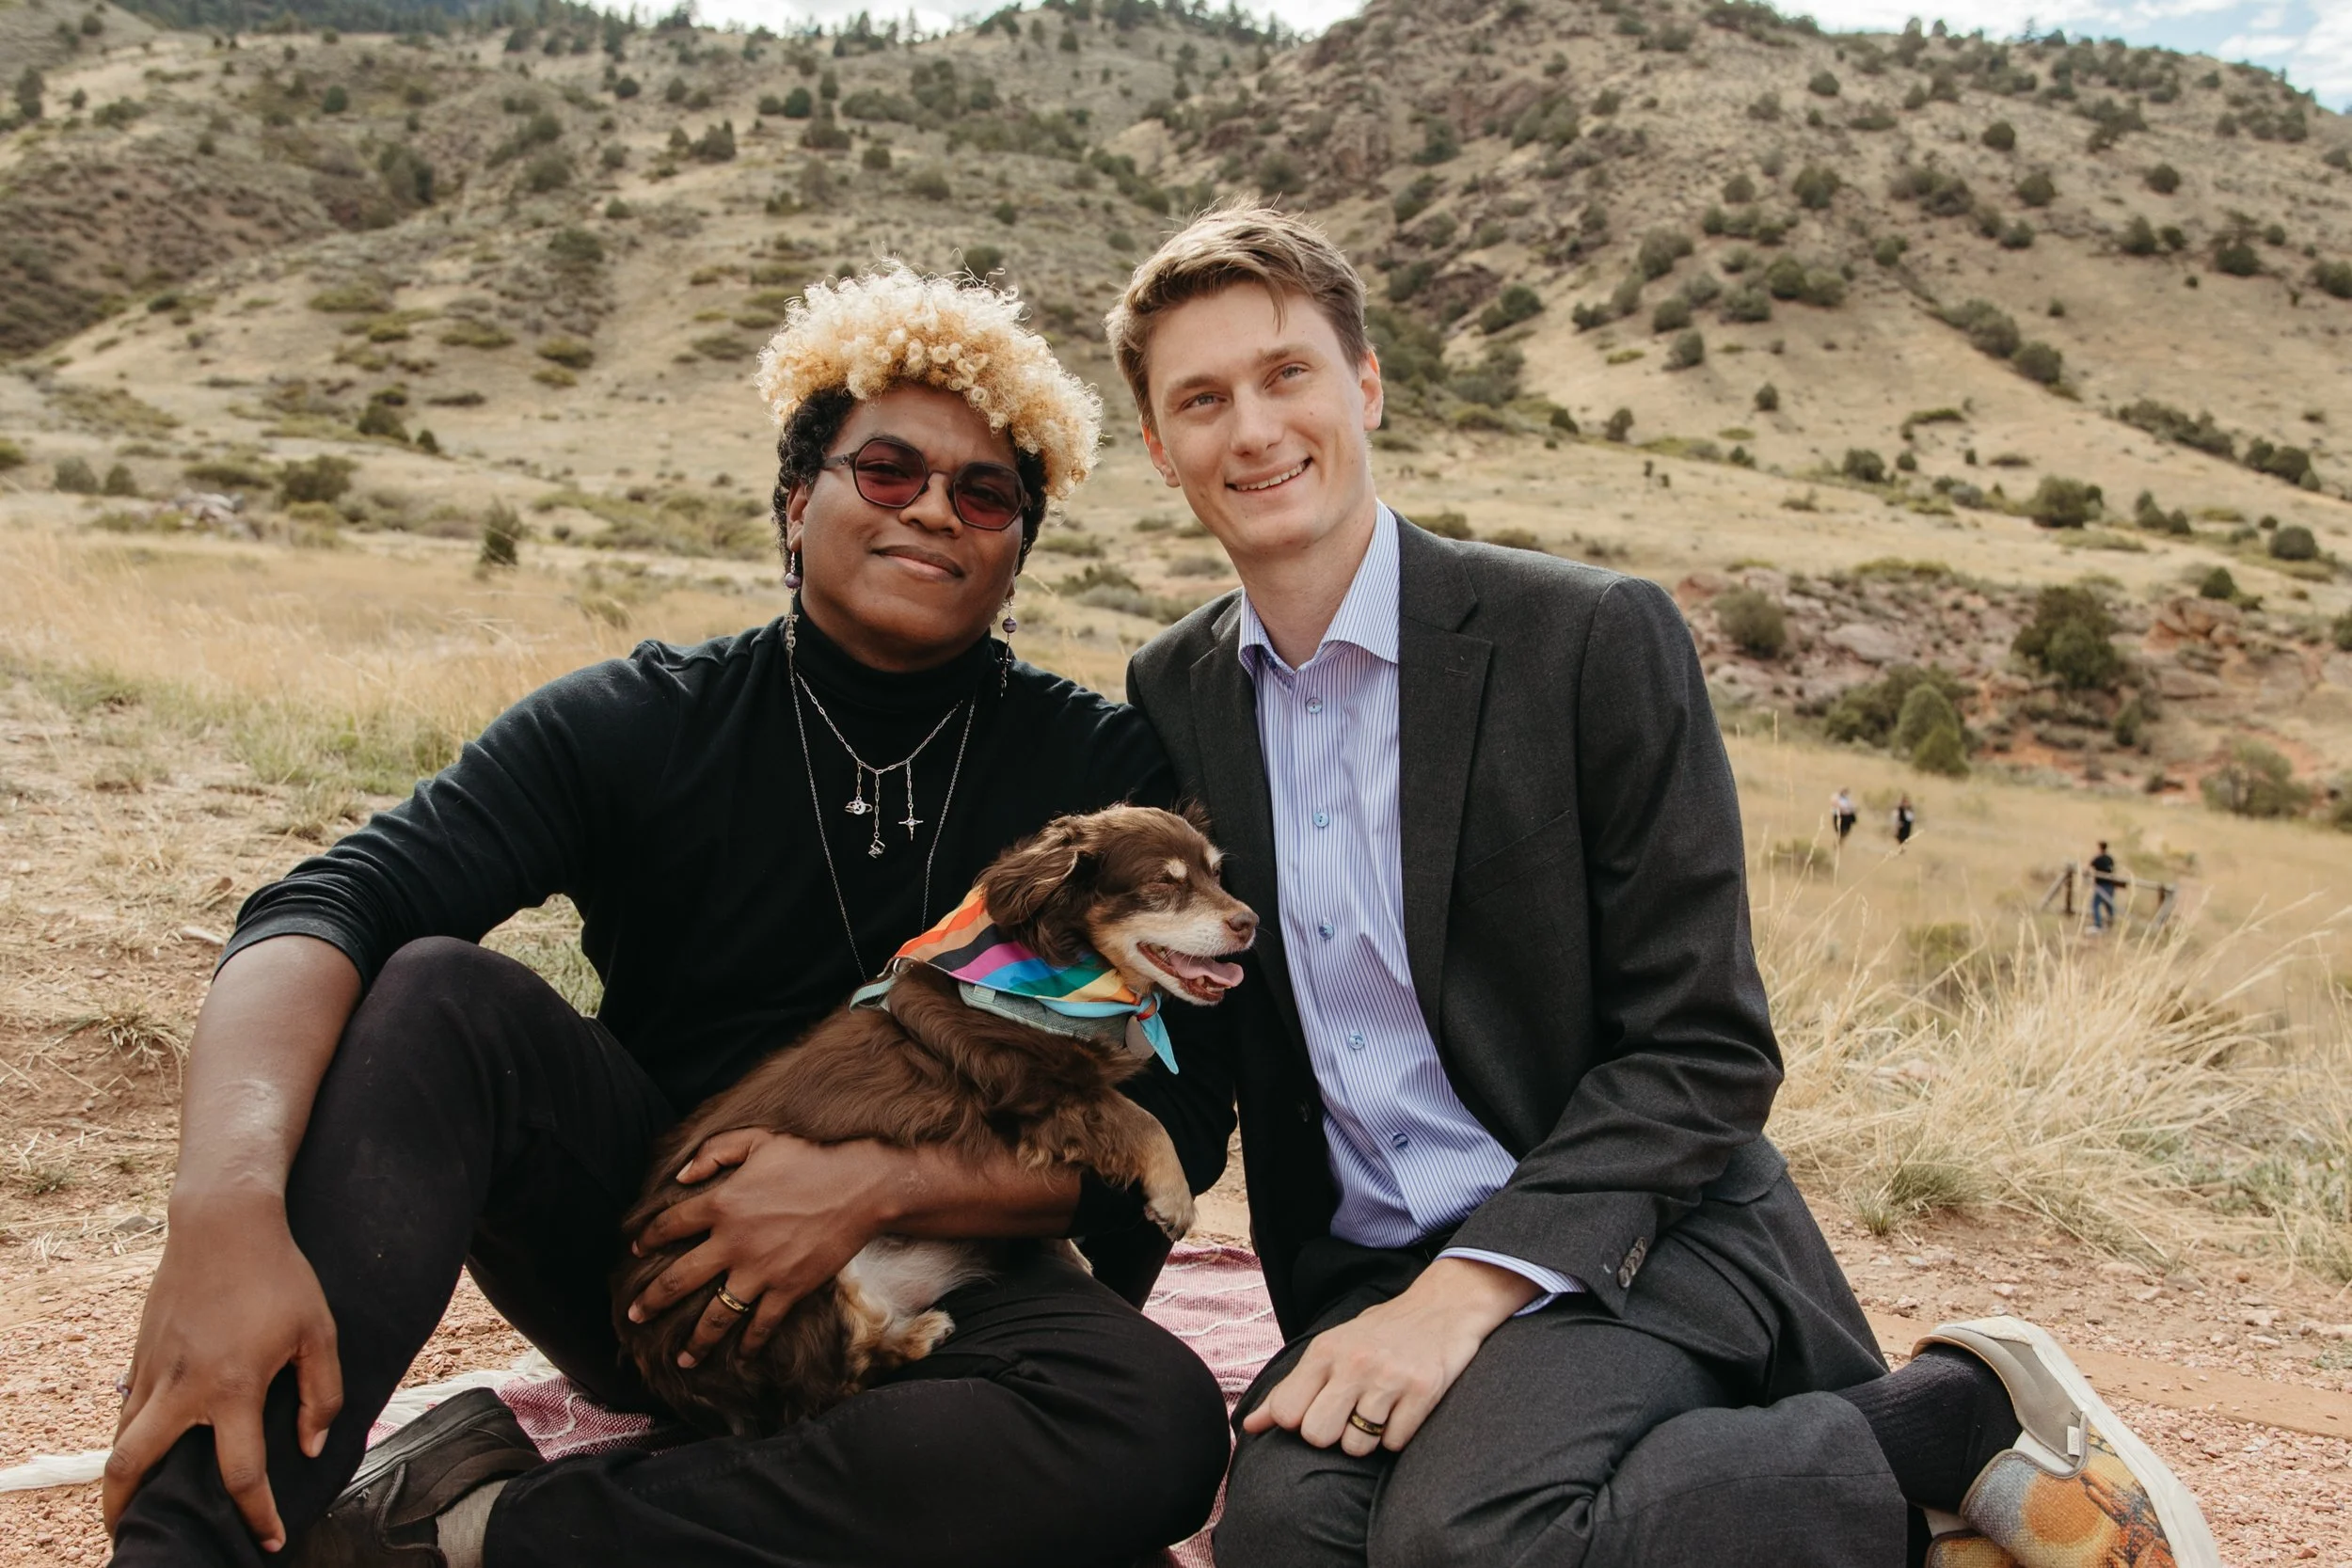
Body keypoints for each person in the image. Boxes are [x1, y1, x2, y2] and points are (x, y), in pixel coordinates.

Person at [1108, 205, 2217, 1568]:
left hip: (1637, 1233)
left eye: (1288, 373)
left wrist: (1466, 1290)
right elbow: (1204, 1026)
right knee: (1287, 1540)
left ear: (1368, 385)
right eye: (1202, 398)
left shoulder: (1584, 635)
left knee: (1472, 1537)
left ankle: (1946, 1420)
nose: (1253, 428)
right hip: (1367, 1269)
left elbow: (1705, 1043)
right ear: (1157, 445)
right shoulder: (1173, 688)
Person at [103, 267, 1231, 1568]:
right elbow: (331, 902)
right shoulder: (638, 720)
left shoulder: (1096, 779)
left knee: (1150, 1425)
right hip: (665, 1260)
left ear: (1018, 546)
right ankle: (190, 1549)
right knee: (436, 994)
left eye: (986, 493)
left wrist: (871, 1186)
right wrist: (225, 1213)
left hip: (964, 1276)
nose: (934, 507)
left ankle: (464, 1532)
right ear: (796, 500)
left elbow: (1182, 1117)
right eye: (886, 469)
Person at [2090, 840, 2120, 931]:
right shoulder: (2110, 859)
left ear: (2099, 848)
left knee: (2095, 904)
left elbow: (2088, 868)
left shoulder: (2098, 859)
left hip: (2101, 885)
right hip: (2110, 885)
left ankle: (2098, 924)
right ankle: (2110, 922)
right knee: (2108, 904)